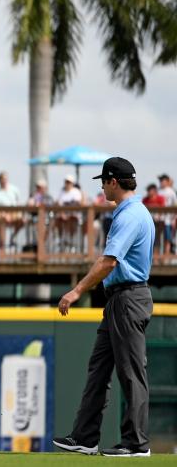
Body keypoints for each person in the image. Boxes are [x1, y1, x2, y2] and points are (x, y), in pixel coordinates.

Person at [54, 157, 154, 457]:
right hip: (119, 300)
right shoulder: (130, 211)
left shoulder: (131, 215)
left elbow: (109, 261)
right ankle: (85, 437)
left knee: (131, 372)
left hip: (128, 298)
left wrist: (76, 291)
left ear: (113, 181)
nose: (101, 186)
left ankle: (136, 443)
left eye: (103, 181)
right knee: (98, 369)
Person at [0, 171, 24, 250]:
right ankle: (1, 242)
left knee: (23, 220)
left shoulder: (14, 189)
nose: (4, 180)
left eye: (5, 178)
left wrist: (15, 213)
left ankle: (13, 237)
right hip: (2, 213)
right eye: (2, 179)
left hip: (14, 211)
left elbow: (18, 202)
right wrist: (4, 214)